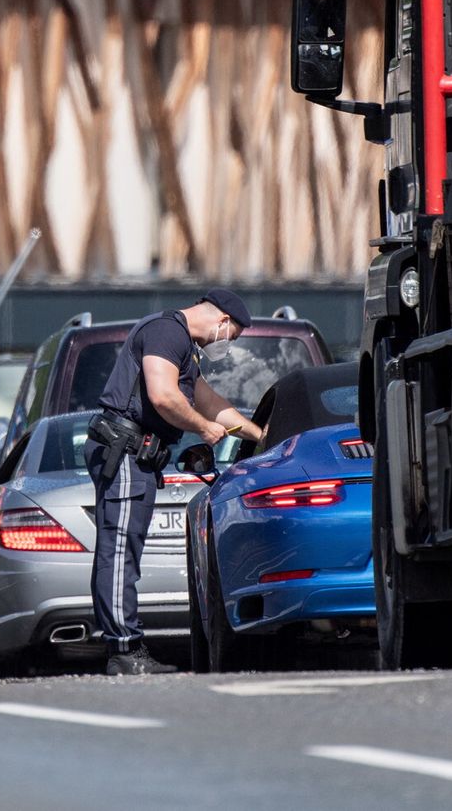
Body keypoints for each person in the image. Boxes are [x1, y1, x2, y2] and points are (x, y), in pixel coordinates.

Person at [87, 289, 263, 676]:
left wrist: (260, 435)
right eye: (232, 336)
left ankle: (125, 645)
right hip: (126, 450)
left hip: (137, 453)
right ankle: (124, 650)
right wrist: (204, 429)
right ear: (221, 322)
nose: (228, 345)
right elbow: (165, 396)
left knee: (124, 549)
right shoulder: (168, 332)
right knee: (119, 550)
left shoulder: (180, 343)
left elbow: (209, 401)